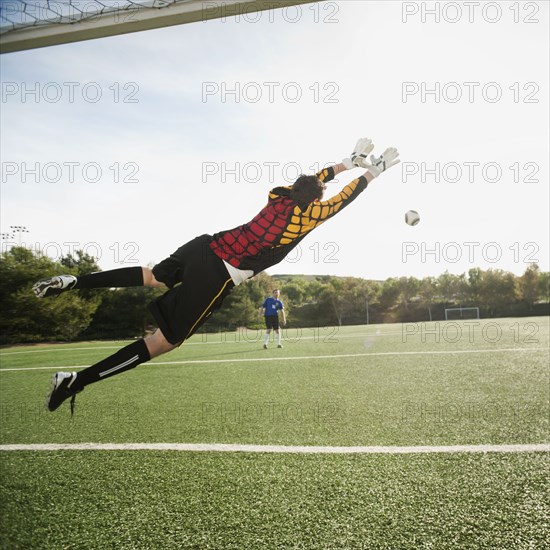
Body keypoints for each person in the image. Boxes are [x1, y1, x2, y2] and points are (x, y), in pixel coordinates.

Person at [32, 138, 399, 413]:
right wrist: (372, 171)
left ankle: (75, 281)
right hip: (219, 273)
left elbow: (315, 179)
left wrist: (347, 162)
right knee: (164, 342)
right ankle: (75, 381)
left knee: (153, 275)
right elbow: (344, 198)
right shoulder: (310, 215)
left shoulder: (279, 194)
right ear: (315, 201)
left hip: (204, 246)